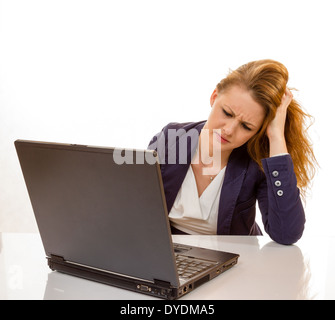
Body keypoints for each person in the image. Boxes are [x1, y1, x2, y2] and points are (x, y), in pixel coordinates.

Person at [148, 59, 317, 245]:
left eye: (246, 126)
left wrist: (276, 135)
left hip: (234, 260)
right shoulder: (171, 139)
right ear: (214, 97)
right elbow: (138, 206)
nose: (228, 130)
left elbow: (287, 234)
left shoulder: (255, 162)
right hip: (171, 255)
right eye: (227, 113)